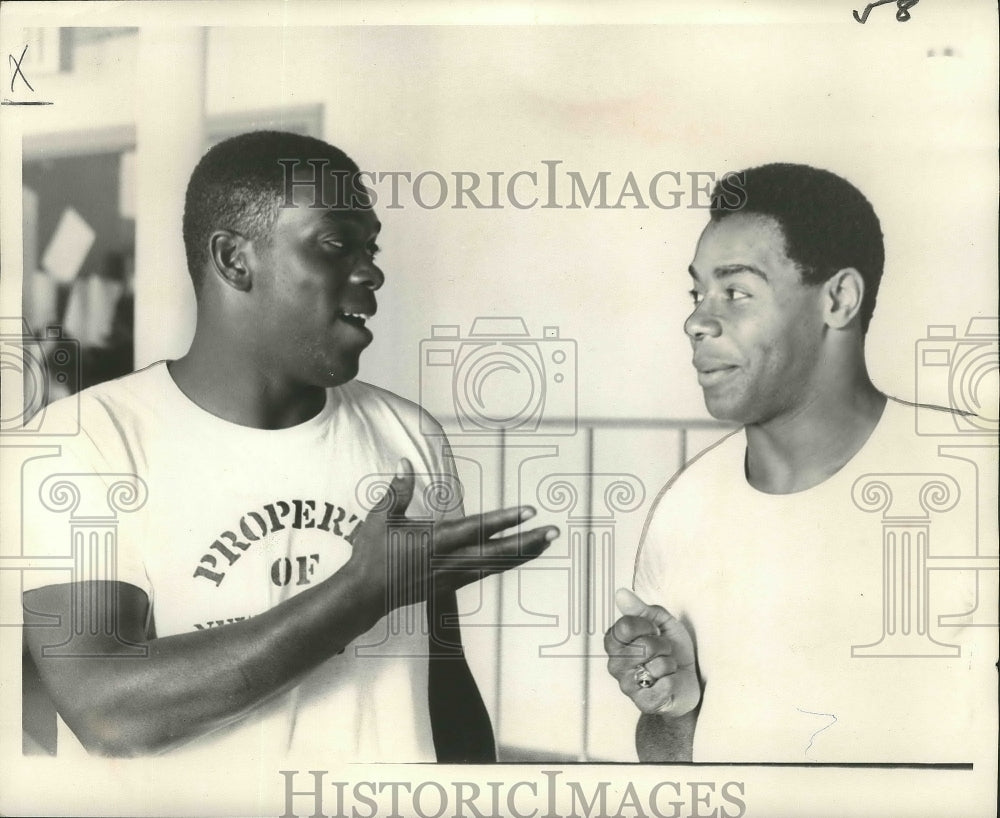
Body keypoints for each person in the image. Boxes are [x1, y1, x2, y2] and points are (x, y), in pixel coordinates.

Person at [20, 131, 558, 761]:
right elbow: (109, 712)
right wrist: (360, 593)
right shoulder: (87, 440)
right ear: (233, 259)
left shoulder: (408, 437)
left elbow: (442, 679)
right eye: (335, 244)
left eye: (370, 247)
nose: (372, 270)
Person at [604, 162, 984, 762]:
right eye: (697, 292)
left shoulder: (977, 476)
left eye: (736, 292)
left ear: (838, 299)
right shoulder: (685, 506)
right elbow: (671, 767)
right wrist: (676, 706)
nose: (697, 320)